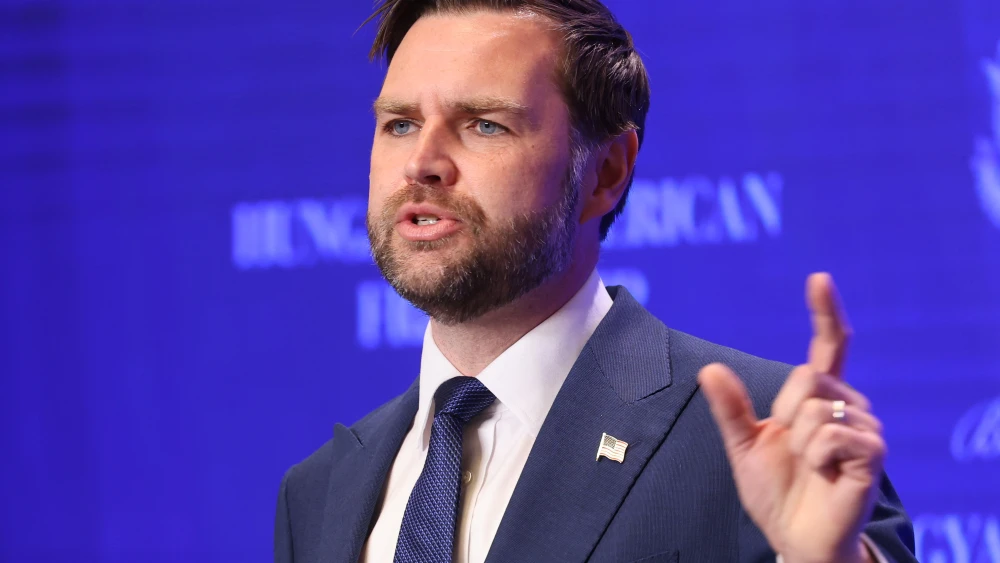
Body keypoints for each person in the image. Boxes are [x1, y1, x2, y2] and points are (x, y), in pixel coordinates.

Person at [274, 1, 917, 561]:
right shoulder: (320, 492)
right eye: (401, 124)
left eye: (485, 125)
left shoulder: (762, 435)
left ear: (607, 171)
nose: (422, 163)